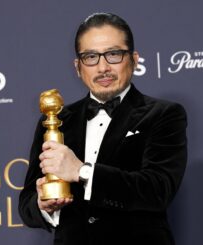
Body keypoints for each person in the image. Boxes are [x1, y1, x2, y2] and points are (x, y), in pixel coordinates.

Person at [19, 12, 187, 245]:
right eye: (90, 57)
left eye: (114, 54)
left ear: (134, 59)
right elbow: (26, 203)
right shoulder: (57, 121)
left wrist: (82, 171)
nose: (102, 67)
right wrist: (44, 205)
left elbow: (157, 190)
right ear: (78, 67)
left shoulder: (164, 114)